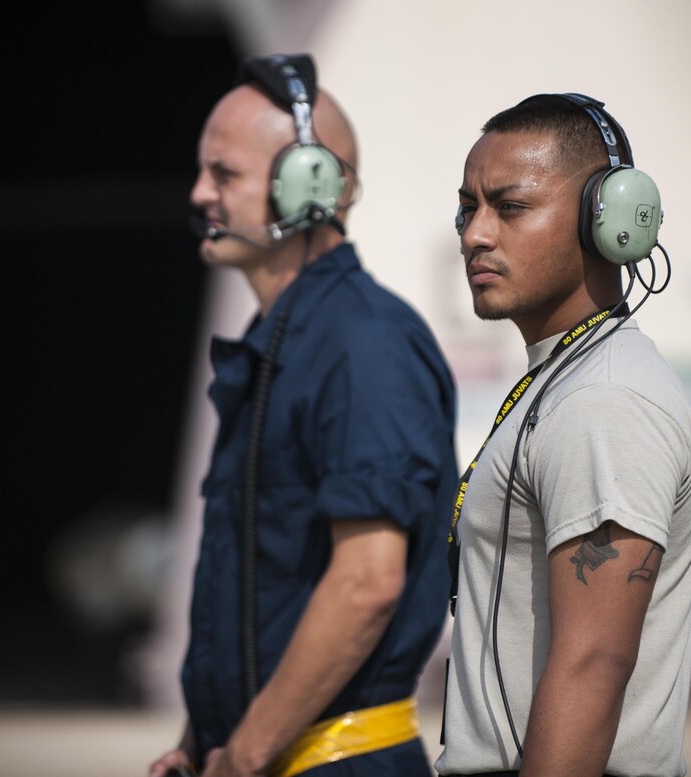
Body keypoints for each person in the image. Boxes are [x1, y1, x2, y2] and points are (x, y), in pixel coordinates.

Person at [149, 54, 458, 777]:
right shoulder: (289, 344)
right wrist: (201, 741)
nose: (199, 193)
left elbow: (367, 580)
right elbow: (261, 587)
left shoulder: (364, 344)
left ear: (309, 189)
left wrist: (249, 748)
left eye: (222, 173)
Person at [435, 93, 691, 777]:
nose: (475, 232)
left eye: (511, 206)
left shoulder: (604, 398)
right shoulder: (570, 379)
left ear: (608, 219)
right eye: (468, 207)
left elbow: (594, 662)